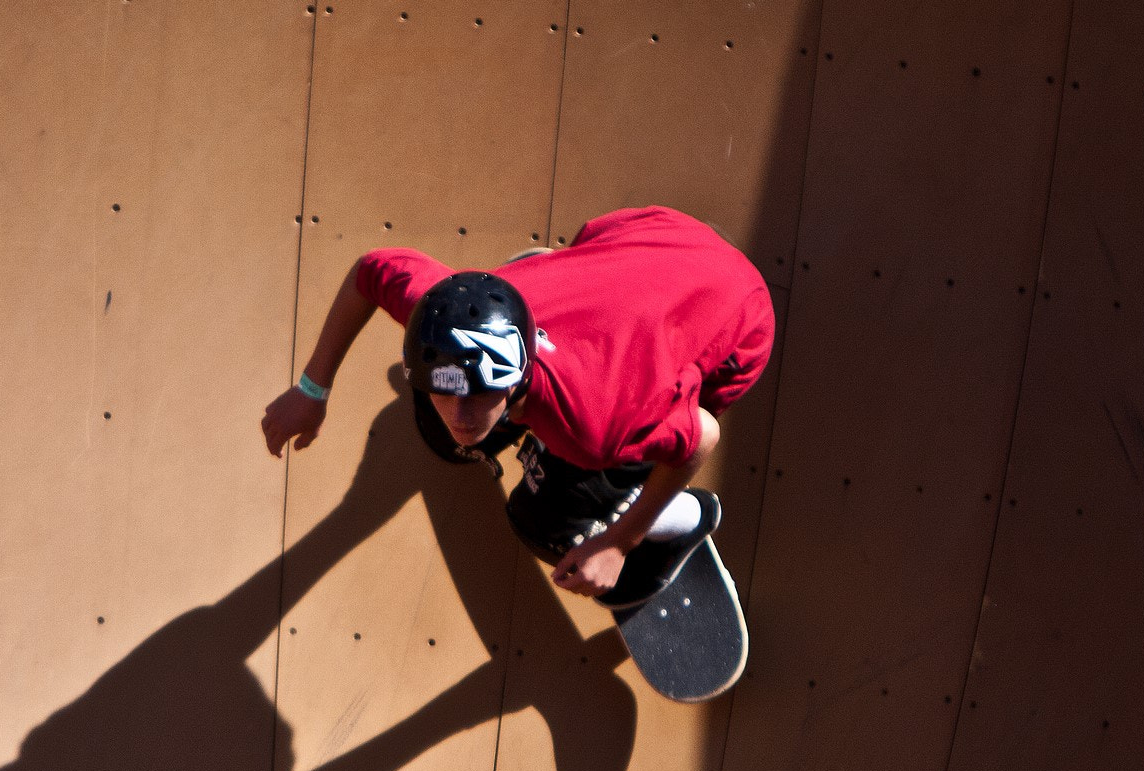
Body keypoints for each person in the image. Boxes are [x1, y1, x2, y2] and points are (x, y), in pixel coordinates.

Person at [261, 205, 774, 606]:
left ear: (515, 379)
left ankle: (685, 516)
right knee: (442, 436)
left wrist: (621, 541)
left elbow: (701, 435)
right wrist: (312, 390)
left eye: (481, 394)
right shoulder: (441, 303)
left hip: (737, 323)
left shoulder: (595, 424)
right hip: (650, 235)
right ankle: (545, 273)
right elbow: (371, 270)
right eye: (447, 389)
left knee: (541, 523)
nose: (460, 413)